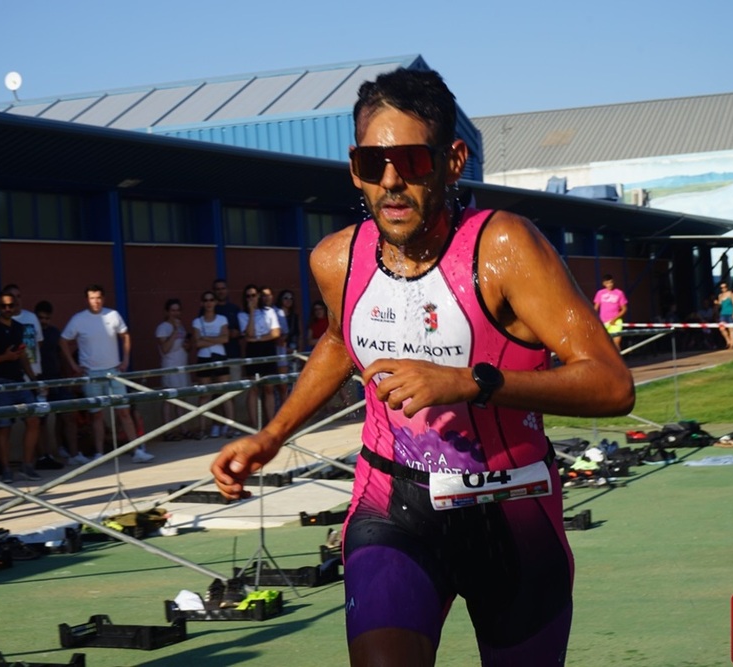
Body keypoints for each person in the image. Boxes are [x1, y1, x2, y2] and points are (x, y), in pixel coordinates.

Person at [211, 68, 634, 666]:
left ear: (452, 159)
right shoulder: (336, 258)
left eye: (410, 160)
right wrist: (273, 435)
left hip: (511, 510)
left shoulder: (505, 247)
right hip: (392, 507)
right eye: (371, 163)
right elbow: (339, 340)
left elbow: (612, 385)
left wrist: (474, 383)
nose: (390, 183)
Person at [59, 285, 153, 463]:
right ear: (87, 299)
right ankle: (99, 454)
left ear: (104, 298)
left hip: (114, 371)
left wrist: (125, 359)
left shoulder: (113, 315)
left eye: (98, 298)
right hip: (91, 373)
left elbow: (125, 335)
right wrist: (74, 365)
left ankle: (137, 451)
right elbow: (63, 341)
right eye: (92, 298)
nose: (96, 301)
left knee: (124, 412)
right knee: (97, 414)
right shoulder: (78, 319)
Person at [0, 290, 42, 484]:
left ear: (16, 306)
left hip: (19, 381)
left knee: (34, 420)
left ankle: (27, 465)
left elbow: (22, 354)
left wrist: (33, 378)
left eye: (11, 305)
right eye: (3, 306)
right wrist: (4, 357)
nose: (8, 309)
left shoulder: (19, 327)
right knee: (4, 427)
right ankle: (5, 469)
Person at [35, 300, 78, 466]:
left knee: (68, 415)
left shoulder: (54, 333)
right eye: (41, 318)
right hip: (39, 381)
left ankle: (73, 454)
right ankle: (44, 456)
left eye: (47, 318)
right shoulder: (31, 334)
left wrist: (66, 377)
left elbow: (61, 356)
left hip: (57, 379)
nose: (44, 321)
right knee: (41, 420)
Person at [191, 290, 232, 439]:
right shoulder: (197, 321)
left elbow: (225, 339)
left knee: (225, 393)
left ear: (215, 302)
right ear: (203, 303)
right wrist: (216, 338)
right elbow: (197, 342)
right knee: (205, 395)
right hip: (204, 358)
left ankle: (229, 427)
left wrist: (206, 338)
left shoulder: (222, 319)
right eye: (206, 300)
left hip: (220, 356)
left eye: (211, 300)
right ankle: (203, 429)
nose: (209, 303)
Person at [238, 285, 280, 428]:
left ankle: (271, 422)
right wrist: (251, 311)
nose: (252, 298)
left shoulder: (269, 312)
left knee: (269, 387)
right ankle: (255, 425)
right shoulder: (242, 315)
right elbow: (248, 335)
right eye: (248, 296)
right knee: (254, 388)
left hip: (268, 349)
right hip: (253, 351)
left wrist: (257, 338)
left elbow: (275, 333)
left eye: (254, 295)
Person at [155, 298, 192, 441]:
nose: (176, 313)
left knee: (182, 399)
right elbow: (165, 349)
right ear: (167, 312)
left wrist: (187, 345)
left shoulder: (181, 326)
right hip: (170, 367)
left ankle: (183, 429)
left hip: (182, 366)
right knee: (169, 400)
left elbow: (184, 347)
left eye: (178, 310)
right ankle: (167, 430)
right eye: (173, 310)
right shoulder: (163, 327)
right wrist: (175, 331)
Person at [212, 278, 242, 435]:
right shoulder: (209, 308)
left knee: (232, 392)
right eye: (217, 289)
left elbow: (240, 332)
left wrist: (233, 333)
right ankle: (217, 425)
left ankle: (231, 425)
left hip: (233, 355)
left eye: (223, 288)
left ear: (227, 290)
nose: (220, 291)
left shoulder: (234, 309)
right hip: (214, 357)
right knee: (216, 393)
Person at [593, 274, 628, 351]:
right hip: (603, 322)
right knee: (603, 343)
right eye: (607, 283)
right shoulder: (600, 293)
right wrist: (594, 318)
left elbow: (624, 309)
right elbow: (596, 307)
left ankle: (617, 361)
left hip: (615, 322)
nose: (609, 285)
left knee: (616, 343)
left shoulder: (619, 293)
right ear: (604, 284)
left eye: (611, 282)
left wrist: (615, 319)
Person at [715, 281, 733, 349]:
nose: (723, 289)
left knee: (731, 329)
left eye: (724, 287)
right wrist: (717, 303)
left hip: (730, 313)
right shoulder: (720, 296)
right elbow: (720, 305)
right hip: (723, 313)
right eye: (722, 288)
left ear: (727, 287)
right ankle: (728, 341)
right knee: (722, 328)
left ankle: (732, 344)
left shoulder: (731, 294)